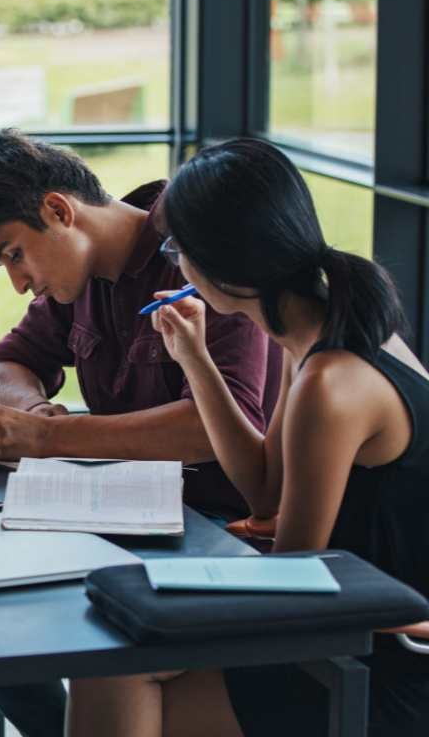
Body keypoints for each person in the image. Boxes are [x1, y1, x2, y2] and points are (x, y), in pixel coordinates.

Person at [67, 138, 429, 736]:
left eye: (177, 249)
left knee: (112, 664)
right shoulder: (320, 330)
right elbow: (266, 492)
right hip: (355, 626)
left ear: (217, 264)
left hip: (373, 666)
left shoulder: (331, 383)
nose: (174, 263)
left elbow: (293, 575)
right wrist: (196, 361)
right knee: (114, 652)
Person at [0, 129, 280, 737]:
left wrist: (53, 440)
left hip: (224, 538)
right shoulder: (81, 279)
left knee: (73, 638)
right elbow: (12, 360)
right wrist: (31, 407)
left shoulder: (197, 254)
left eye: (14, 253)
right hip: (131, 529)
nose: (18, 282)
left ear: (59, 211)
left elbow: (215, 426)